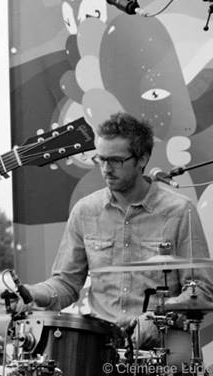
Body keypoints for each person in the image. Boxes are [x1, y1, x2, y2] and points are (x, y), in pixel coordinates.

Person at [14, 112, 213, 366]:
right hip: (101, 347)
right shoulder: (85, 211)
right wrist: (29, 294)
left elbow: (202, 292)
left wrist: (157, 317)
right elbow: (66, 284)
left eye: (116, 160)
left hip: (164, 349)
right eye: (101, 159)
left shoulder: (179, 211)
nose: (106, 169)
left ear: (142, 158)